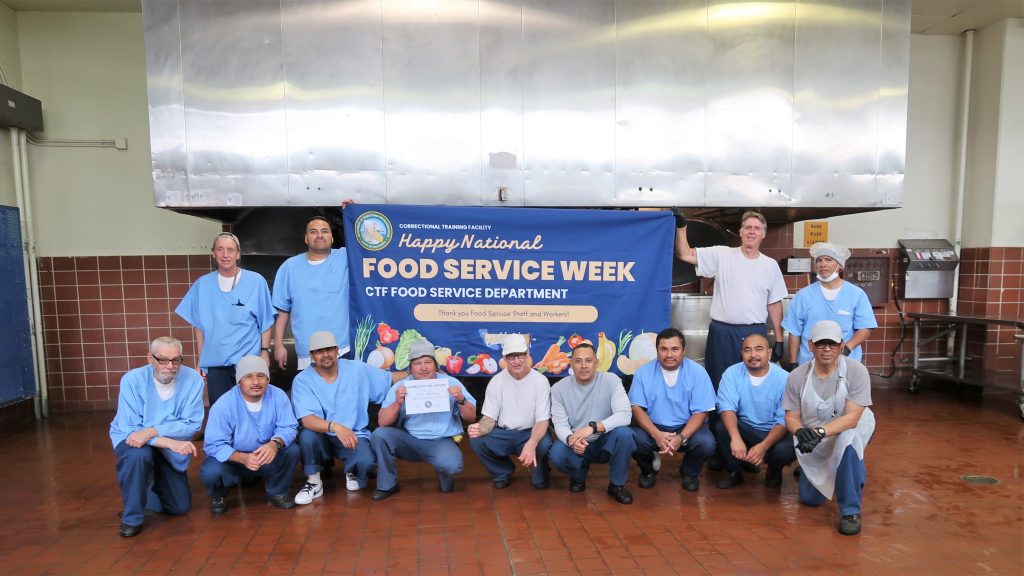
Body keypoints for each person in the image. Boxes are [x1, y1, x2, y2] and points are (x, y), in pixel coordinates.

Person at [674, 211, 787, 388]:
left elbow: (774, 304)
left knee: (752, 384)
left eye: (756, 228)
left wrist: (779, 340)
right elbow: (684, 254)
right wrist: (682, 228)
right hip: (722, 334)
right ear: (740, 232)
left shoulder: (770, 265)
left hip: (754, 333)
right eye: (748, 227)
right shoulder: (722, 255)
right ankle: (719, 417)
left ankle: (747, 417)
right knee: (719, 382)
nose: (752, 231)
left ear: (763, 234)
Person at [784, 320, 875, 536]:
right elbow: (791, 416)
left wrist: (819, 432)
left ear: (842, 345)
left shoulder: (856, 371)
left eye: (832, 344)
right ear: (811, 345)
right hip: (816, 434)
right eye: (821, 344)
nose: (827, 349)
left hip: (848, 427)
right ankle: (829, 474)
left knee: (849, 445)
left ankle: (850, 511)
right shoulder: (797, 376)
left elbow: (852, 418)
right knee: (810, 500)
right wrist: (800, 431)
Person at [109, 337, 205, 537]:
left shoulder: (193, 380)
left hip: (163, 446)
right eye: (162, 360)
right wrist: (168, 441)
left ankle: (145, 488)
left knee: (179, 507)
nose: (170, 366)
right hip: (131, 440)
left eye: (176, 360)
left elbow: (192, 423)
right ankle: (132, 516)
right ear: (150, 358)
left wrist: (152, 432)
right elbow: (132, 432)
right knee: (139, 456)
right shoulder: (132, 380)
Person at [290, 331, 395, 504]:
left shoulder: (356, 368)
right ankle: (314, 481)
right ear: (311, 355)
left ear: (337, 350)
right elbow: (307, 420)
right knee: (307, 436)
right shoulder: (303, 380)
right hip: (322, 435)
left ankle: (351, 470)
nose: (325, 355)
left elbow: (389, 379)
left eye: (329, 349)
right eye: (319, 351)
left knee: (365, 461)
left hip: (353, 435)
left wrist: (423, 376)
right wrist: (337, 427)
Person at [176, 232, 275, 406]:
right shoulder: (202, 285)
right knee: (220, 409)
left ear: (238, 254)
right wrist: (201, 358)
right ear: (213, 253)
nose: (225, 254)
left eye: (230, 250)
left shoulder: (255, 281)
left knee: (250, 408)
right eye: (220, 250)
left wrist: (265, 352)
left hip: (247, 361)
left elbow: (266, 321)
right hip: (216, 361)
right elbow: (199, 326)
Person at [370, 339, 477, 500]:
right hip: (409, 440)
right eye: (418, 363)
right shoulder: (401, 387)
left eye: (428, 362)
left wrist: (461, 399)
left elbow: (471, 416)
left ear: (435, 365)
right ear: (410, 368)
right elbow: (382, 422)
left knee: (452, 465)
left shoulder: (451, 383)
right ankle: (387, 484)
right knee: (380, 435)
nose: (424, 367)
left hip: (441, 441)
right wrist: (398, 403)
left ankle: (444, 473)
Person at [199, 356, 299, 514]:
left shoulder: (278, 396)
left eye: (261, 376)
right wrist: (242, 458)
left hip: (265, 455)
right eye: (248, 376)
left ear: (268, 379)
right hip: (234, 460)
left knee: (291, 450)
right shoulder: (224, 405)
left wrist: (275, 444)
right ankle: (218, 495)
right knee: (211, 470)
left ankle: (277, 492)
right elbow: (213, 445)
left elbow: (289, 427)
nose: (256, 382)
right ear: (239, 381)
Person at [629, 328, 716, 492]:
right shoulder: (643, 372)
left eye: (675, 349)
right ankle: (648, 471)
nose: (669, 354)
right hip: (653, 428)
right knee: (632, 438)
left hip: (687, 428)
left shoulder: (698, 373)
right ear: (657, 351)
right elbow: (637, 408)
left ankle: (690, 472)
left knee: (706, 442)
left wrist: (681, 437)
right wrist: (656, 434)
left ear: (684, 351)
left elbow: (701, 412)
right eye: (664, 349)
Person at [549, 343, 636, 504]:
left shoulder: (612, 381)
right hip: (579, 443)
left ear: (596, 362)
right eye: (578, 361)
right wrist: (571, 440)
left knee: (625, 434)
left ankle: (617, 484)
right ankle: (578, 477)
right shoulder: (558, 389)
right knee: (557, 453)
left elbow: (625, 415)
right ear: (571, 364)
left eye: (588, 361)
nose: (583, 366)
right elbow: (559, 424)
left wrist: (594, 427)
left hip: (605, 441)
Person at [468, 334, 553, 490]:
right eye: (511, 356)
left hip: (531, 432)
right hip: (504, 433)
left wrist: (531, 443)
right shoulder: (496, 382)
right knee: (477, 439)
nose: (516, 361)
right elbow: (489, 418)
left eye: (520, 355)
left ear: (527, 354)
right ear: (505, 359)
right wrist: (480, 428)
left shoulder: (540, 381)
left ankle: (541, 471)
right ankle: (502, 472)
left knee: (545, 445)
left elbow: (542, 421)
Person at [713, 333, 796, 489]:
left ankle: (774, 470)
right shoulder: (732, 373)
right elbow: (727, 408)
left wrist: (763, 446)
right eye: (747, 350)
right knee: (722, 426)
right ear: (742, 354)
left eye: (759, 349)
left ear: (769, 353)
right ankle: (734, 470)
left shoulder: (785, 379)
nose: (753, 355)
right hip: (745, 428)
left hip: (773, 432)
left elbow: (784, 419)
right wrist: (736, 438)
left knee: (787, 448)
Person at [272, 216, 352, 370]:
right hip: (308, 351)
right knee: (312, 393)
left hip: (342, 348)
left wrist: (354, 212)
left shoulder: (345, 258)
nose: (319, 235)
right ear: (306, 238)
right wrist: (279, 345)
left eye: (324, 231)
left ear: (332, 237)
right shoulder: (289, 267)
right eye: (313, 232)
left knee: (344, 392)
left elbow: (367, 241)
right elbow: (282, 311)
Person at [782, 242, 877, 369]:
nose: (823, 264)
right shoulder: (803, 295)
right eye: (819, 260)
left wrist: (847, 349)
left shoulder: (856, 294)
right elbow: (794, 332)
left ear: (839, 266)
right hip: (809, 363)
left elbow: (865, 328)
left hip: (846, 363)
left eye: (828, 260)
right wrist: (793, 363)